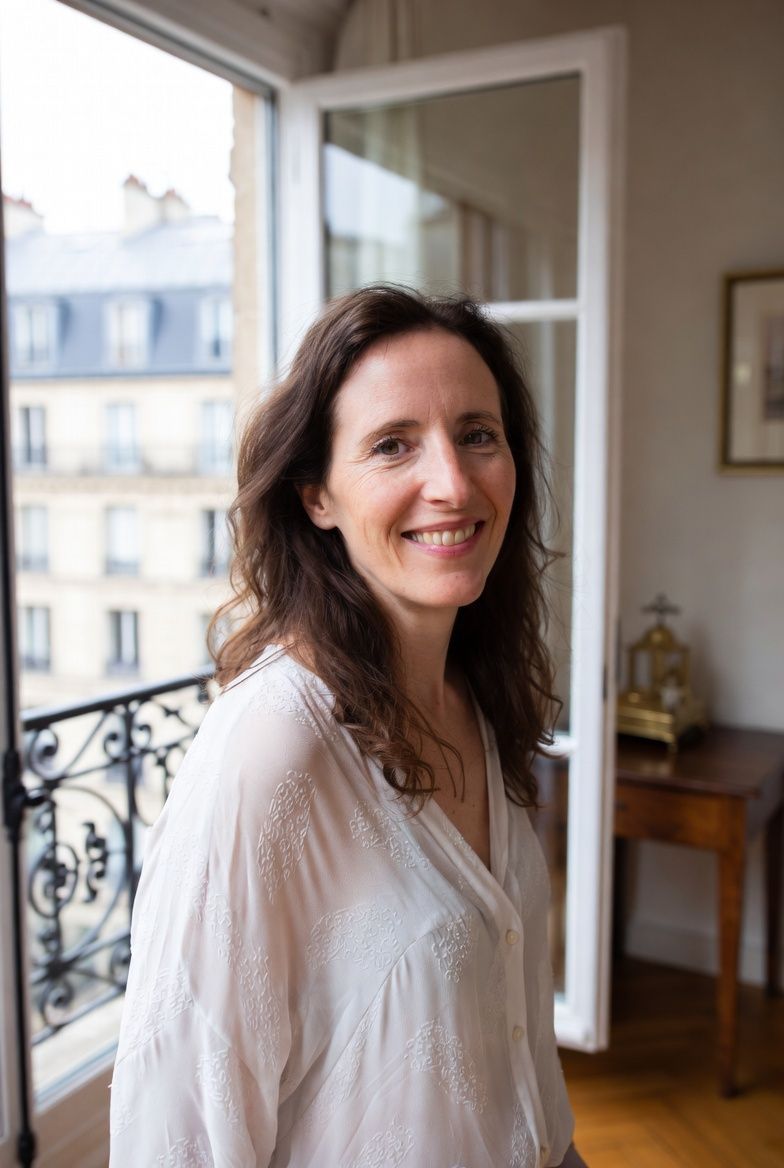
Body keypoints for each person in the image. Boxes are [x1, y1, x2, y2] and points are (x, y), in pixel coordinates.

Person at [109, 285, 586, 1167]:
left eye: (478, 435)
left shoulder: (474, 692)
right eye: (392, 445)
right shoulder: (270, 749)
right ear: (316, 497)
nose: (451, 482)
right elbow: (175, 1127)